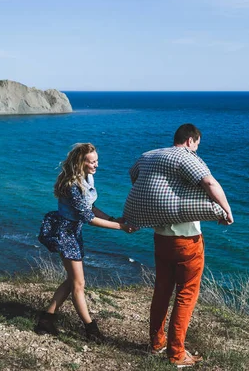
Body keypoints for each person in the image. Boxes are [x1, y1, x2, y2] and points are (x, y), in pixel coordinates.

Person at [128, 124, 233, 367]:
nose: (196, 149)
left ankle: (156, 343)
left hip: (160, 238)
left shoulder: (148, 156)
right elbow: (209, 183)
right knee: (186, 294)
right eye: (196, 144)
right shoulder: (186, 157)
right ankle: (176, 354)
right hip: (187, 242)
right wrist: (227, 210)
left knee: (162, 290)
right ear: (190, 141)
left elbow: (134, 177)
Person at [36, 143, 136, 341]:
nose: (96, 165)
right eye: (92, 162)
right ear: (81, 162)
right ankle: (91, 330)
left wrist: (112, 219)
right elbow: (88, 218)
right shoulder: (72, 186)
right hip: (65, 234)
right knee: (79, 284)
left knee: (73, 281)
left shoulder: (87, 177)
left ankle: (46, 320)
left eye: (97, 161)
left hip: (74, 233)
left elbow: (91, 206)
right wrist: (121, 228)